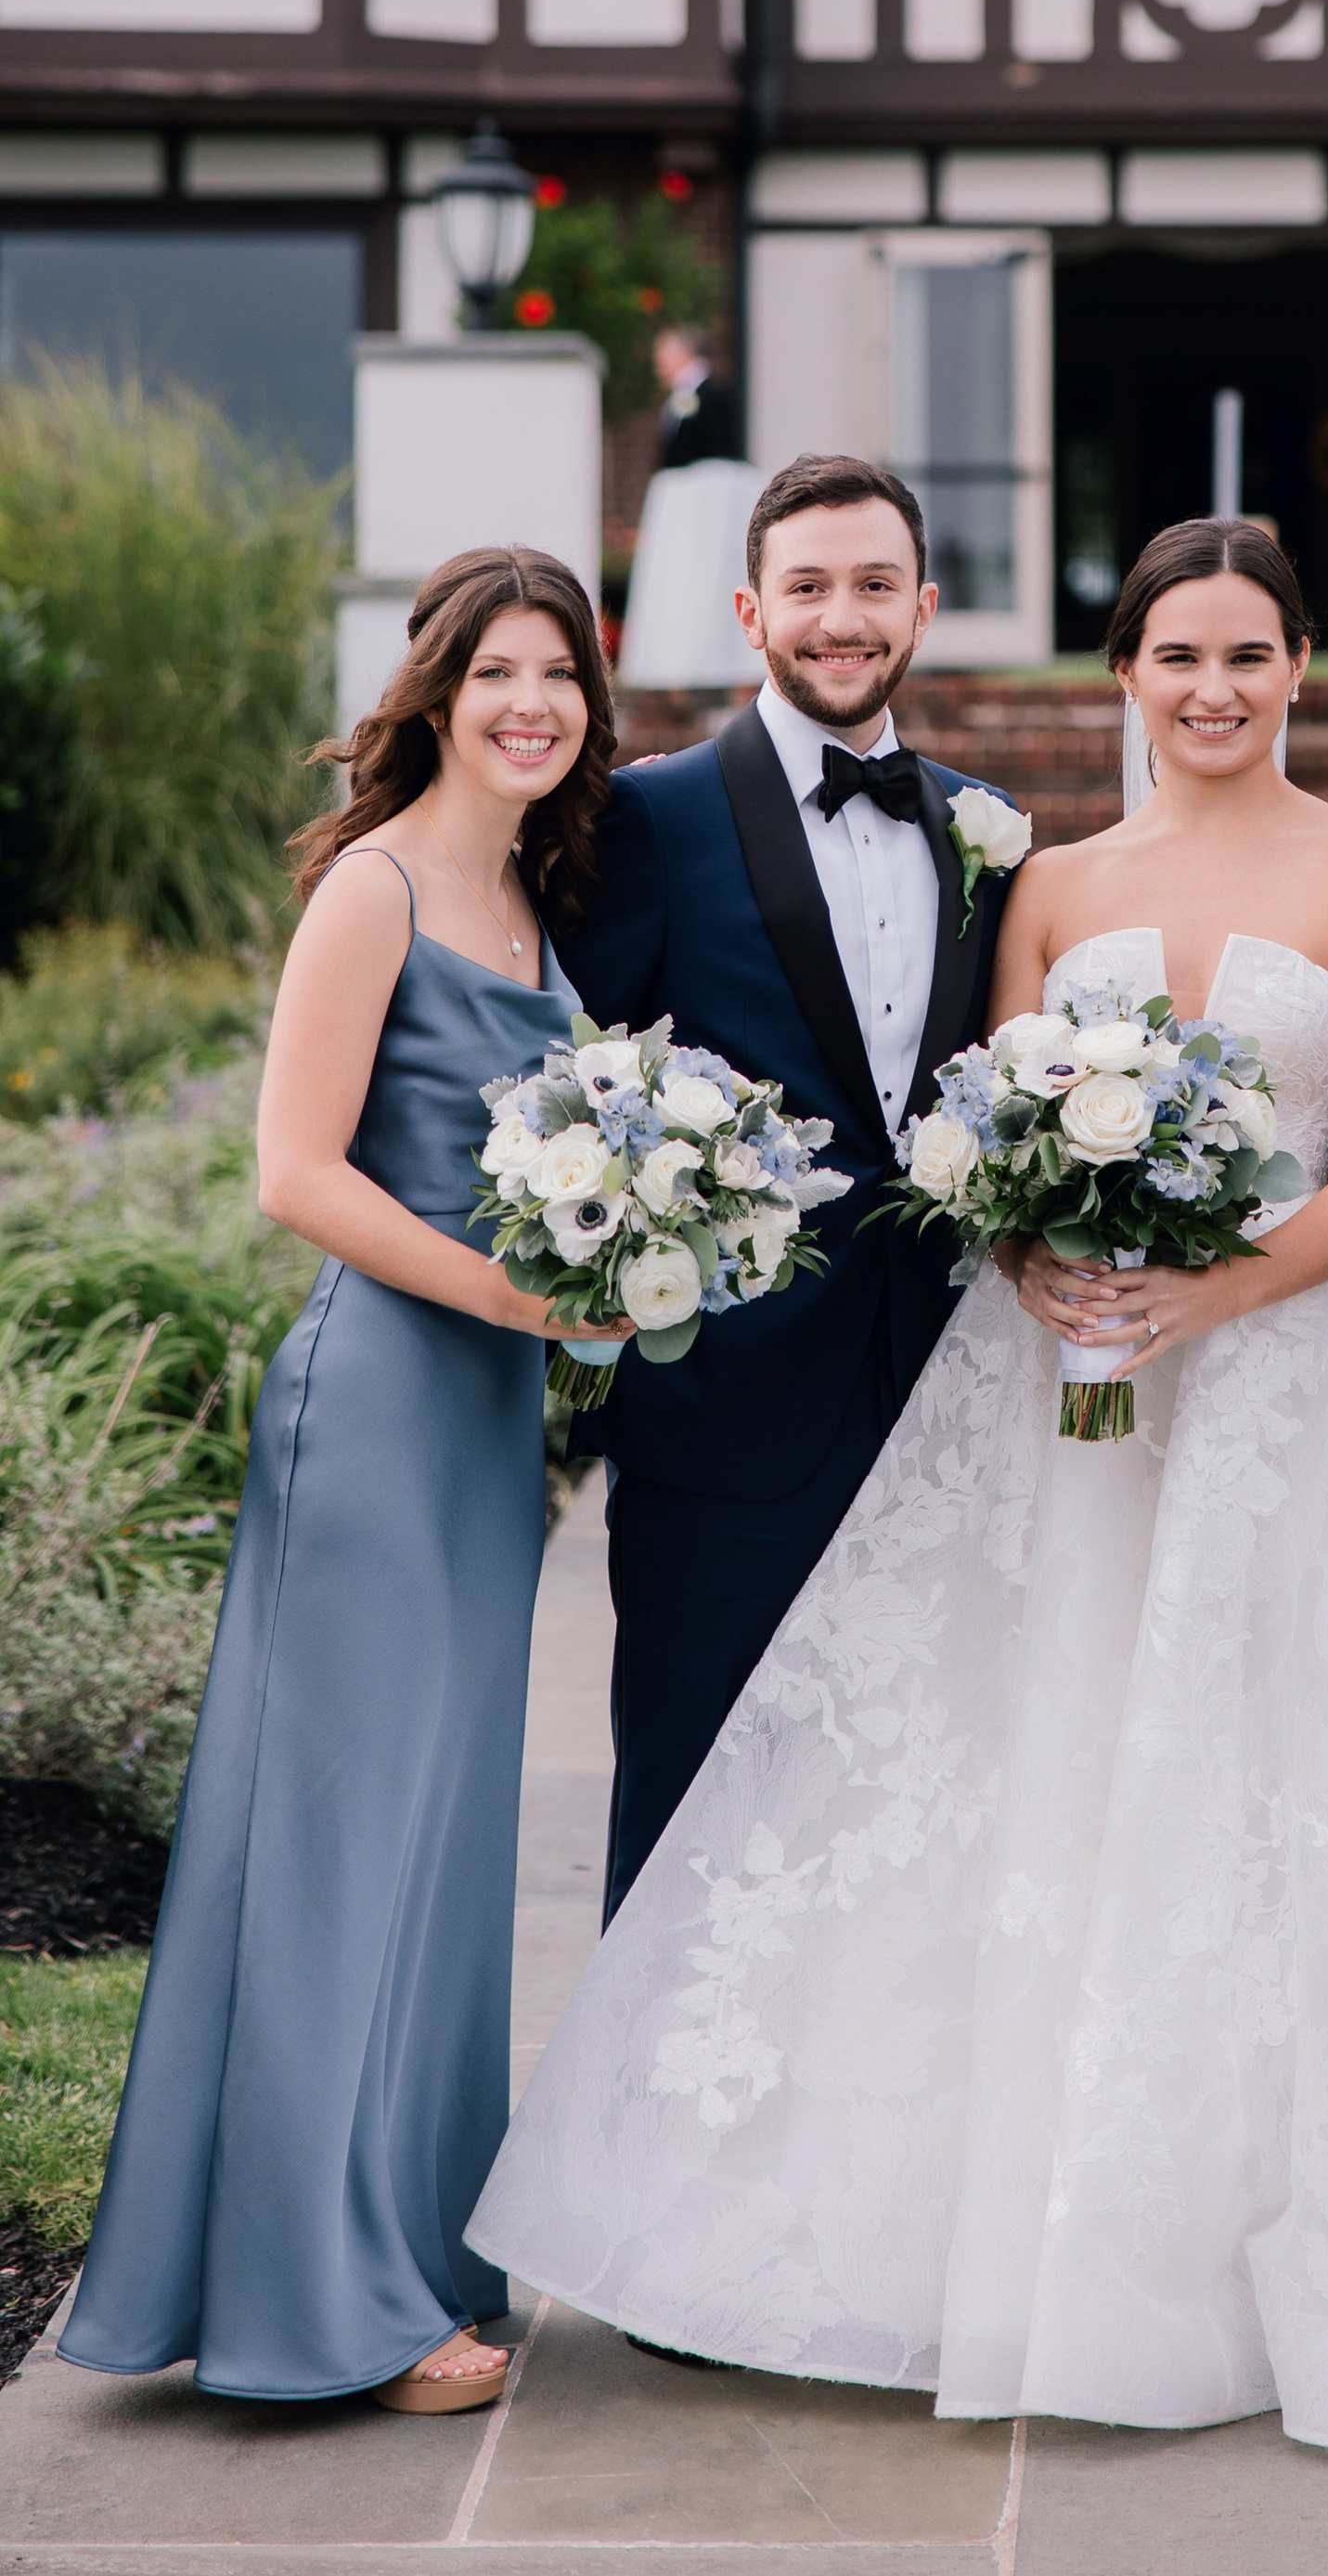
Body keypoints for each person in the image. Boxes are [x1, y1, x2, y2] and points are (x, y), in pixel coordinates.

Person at [470, 518, 1328, 2453]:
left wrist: (1224, 1280)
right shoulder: (1047, 878)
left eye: (1246, 655)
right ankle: (977, 2203)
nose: (1211, 690)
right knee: (1036, 1754)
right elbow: (976, 1137)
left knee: (1278, 1772)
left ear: (1298, 669)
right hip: (1069, 1385)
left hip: (1292, 1380)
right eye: (1174, 659)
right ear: (1121, 677)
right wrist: (1032, 1255)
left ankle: (1236, 2217)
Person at [59, 547, 618, 2414]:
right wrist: (508, 1293)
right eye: (500, 673)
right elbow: (293, 1170)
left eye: (561, 676)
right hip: (383, 1399)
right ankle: (327, 2310)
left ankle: (409, 2251)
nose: (530, 704)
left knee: (438, 1847)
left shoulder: (533, 898)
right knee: (336, 1846)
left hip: (484, 1419)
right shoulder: (375, 889)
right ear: (439, 689)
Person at [564, 451, 1025, 1915]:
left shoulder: (983, 825)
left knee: (923, 1800)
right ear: (753, 609)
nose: (844, 616)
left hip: (947, 1400)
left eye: (874, 585)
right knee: (699, 1800)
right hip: (725, 1410)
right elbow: (573, 1073)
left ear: (924, 606)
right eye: (811, 587)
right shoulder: (654, 816)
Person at [650, 323, 741, 469]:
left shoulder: (714, 396)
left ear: (683, 354)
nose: (658, 366)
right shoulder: (680, 395)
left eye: (664, 356)